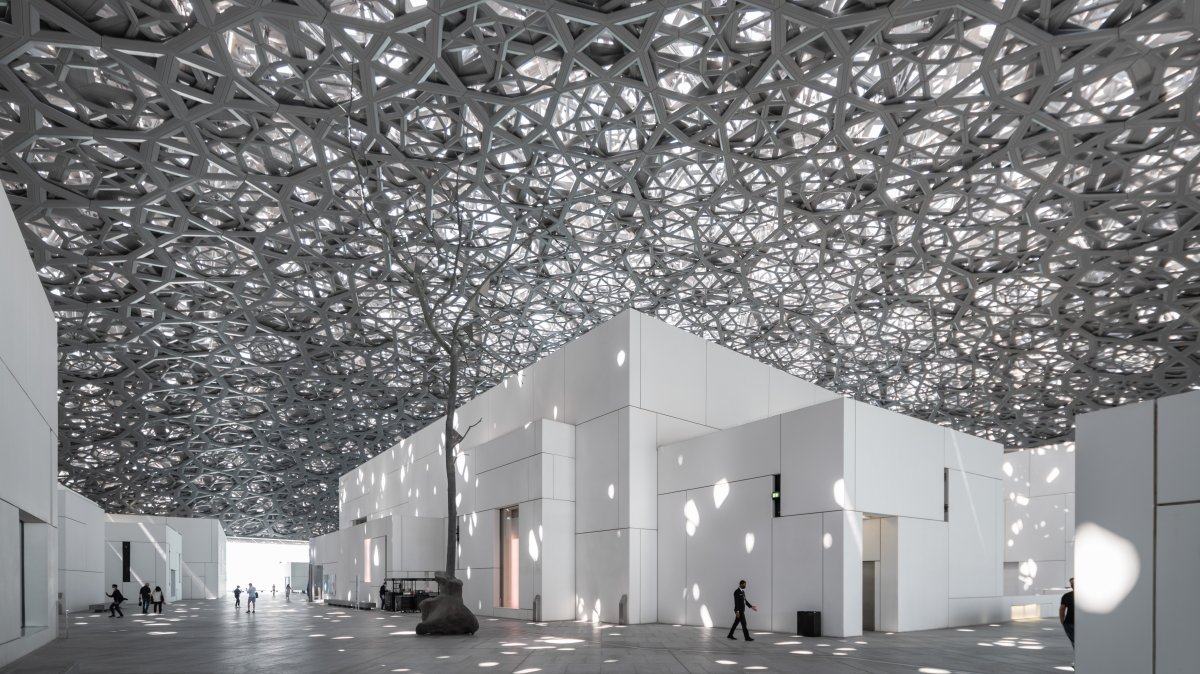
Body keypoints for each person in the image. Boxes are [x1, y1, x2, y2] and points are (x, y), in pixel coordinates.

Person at [1059, 577, 1075, 649]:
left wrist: (1062, 622)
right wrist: (1063, 622)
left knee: (1074, 642)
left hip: (1069, 623)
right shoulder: (1066, 596)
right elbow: (1062, 609)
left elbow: (1062, 609)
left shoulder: (1066, 596)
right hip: (1070, 624)